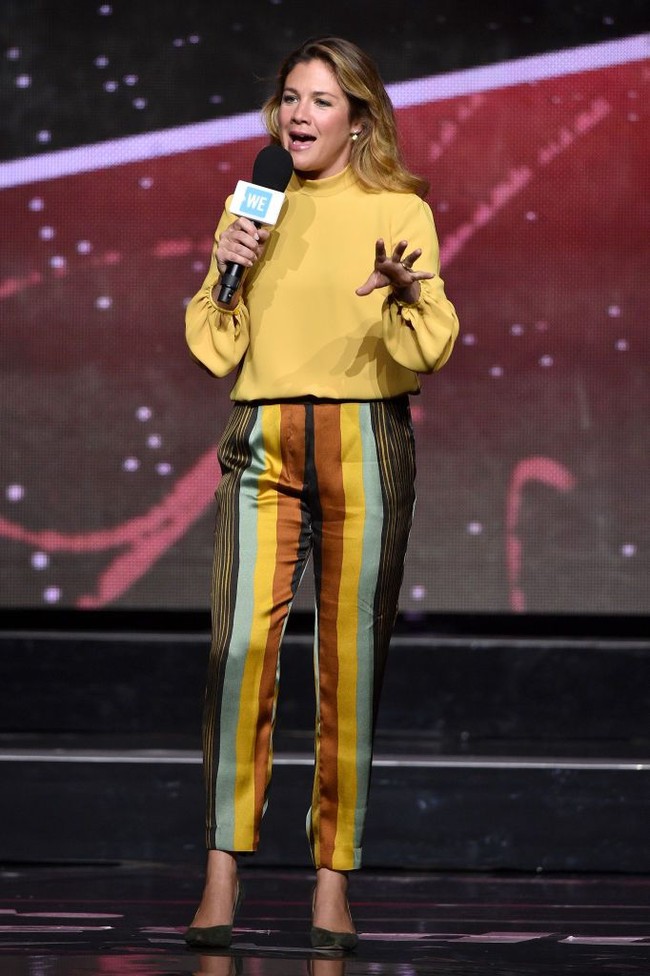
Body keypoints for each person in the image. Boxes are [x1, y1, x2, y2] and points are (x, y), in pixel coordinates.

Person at [183, 36, 459, 951]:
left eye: (321, 101)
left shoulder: (399, 209)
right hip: (263, 438)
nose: (298, 115)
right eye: (290, 98)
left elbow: (430, 348)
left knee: (348, 662)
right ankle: (223, 869)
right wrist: (229, 264)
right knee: (241, 649)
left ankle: (332, 883)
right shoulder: (253, 202)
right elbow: (213, 347)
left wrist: (400, 296)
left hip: (363, 439)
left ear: (359, 118)